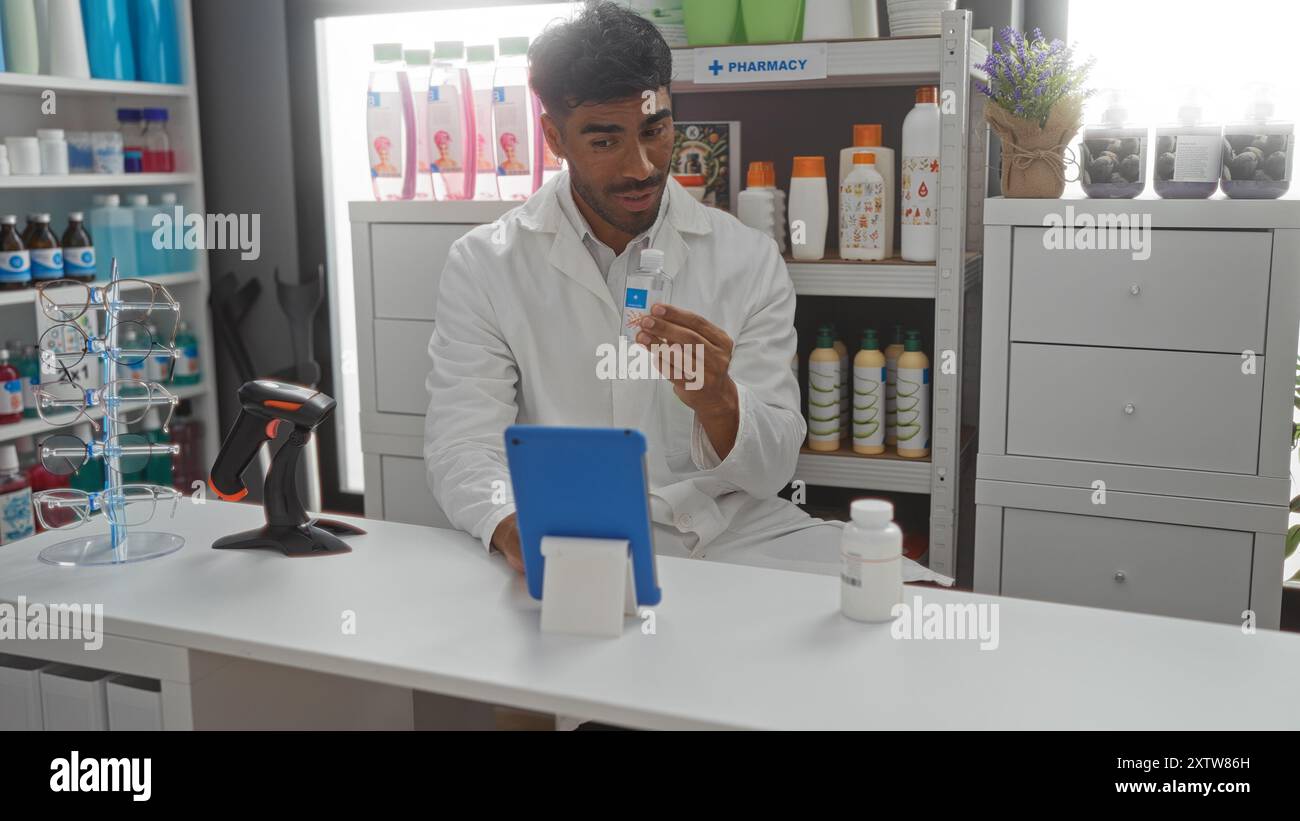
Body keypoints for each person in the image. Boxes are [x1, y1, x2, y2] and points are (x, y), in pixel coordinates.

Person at [425, 1, 847, 576]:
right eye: (605, 142)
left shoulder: (746, 258)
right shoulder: (486, 263)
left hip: (733, 535)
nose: (642, 166)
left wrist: (719, 398)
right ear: (554, 135)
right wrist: (509, 524)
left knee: (890, 606)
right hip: (571, 529)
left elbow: (773, 471)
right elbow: (463, 442)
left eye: (656, 129)